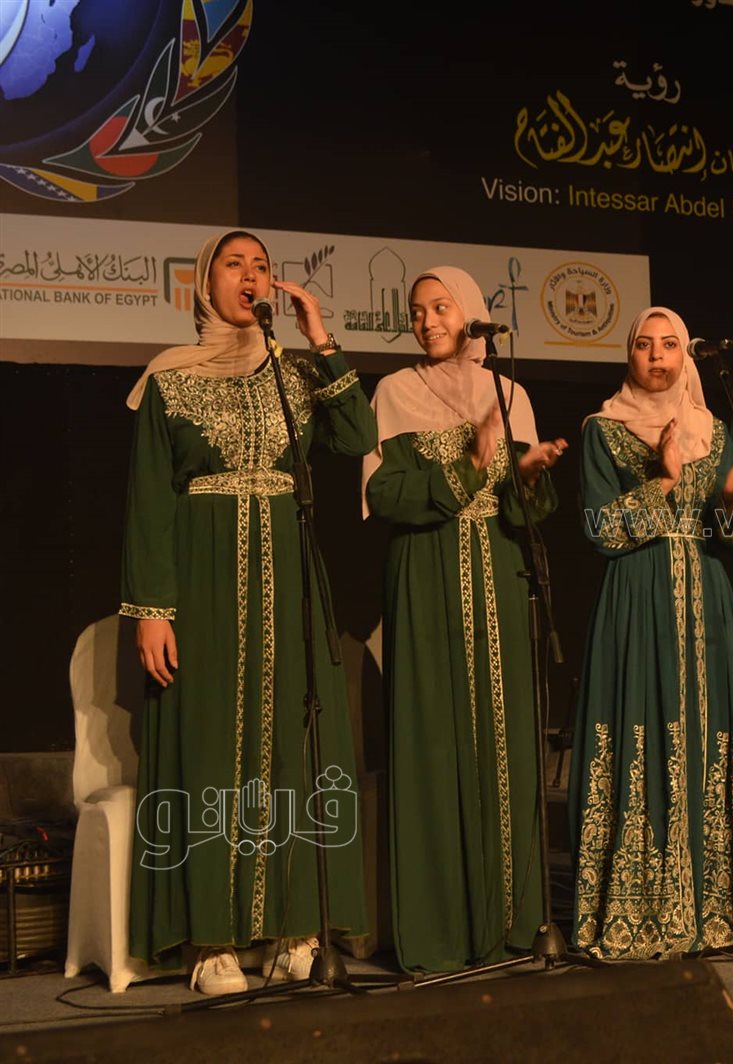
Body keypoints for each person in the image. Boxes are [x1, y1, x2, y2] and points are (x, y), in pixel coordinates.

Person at [121, 230, 374, 994]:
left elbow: (357, 436)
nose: (251, 276)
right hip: (202, 581)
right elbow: (149, 501)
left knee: (292, 746)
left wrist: (320, 340)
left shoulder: (293, 375)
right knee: (211, 749)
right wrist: (152, 610)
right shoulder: (169, 378)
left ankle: (295, 930)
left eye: (261, 266)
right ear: (206, 282)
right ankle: (211, 942)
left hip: (288, 581)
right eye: (235, 264)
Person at [362, 266, 565, 972]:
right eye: (417, 311)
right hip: (425, 577)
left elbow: (528, 513)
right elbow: (385, 495)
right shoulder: (394, 392)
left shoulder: (509, 394)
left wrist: (528, 475)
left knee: (503, 743)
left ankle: (510, 924)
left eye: (441, 307)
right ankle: (440, 934)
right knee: (432, 742)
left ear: (472, 314)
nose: (427, 321)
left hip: (501, 580)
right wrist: (471, 464)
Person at [569, 305, 733, 959]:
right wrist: (664, 479)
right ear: (628, 355)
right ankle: (643, 909)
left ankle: (722, 907)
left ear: (685, 354)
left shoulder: (714, 430)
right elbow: (600, 530)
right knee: (645, 729)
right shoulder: (603, 430)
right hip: (638, 599)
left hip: (709, 600)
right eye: (644, 344)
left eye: (669, 344)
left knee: (712, 732)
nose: (657, 355)